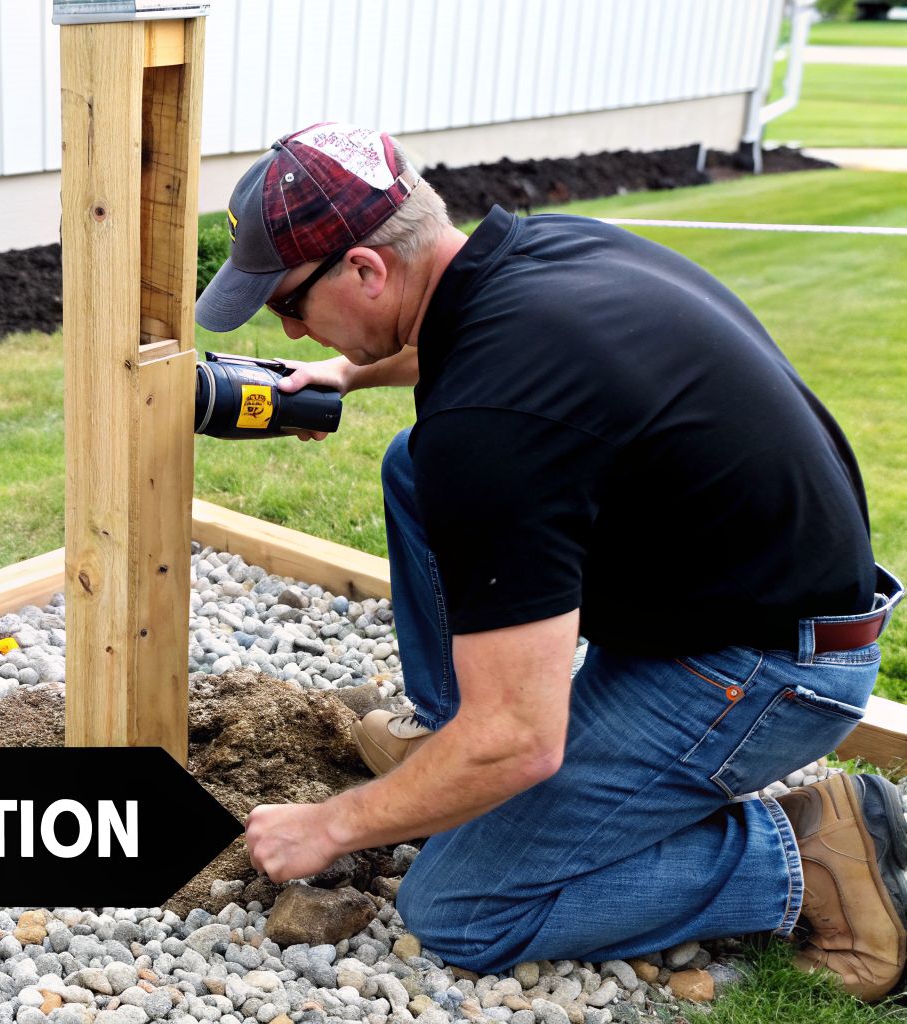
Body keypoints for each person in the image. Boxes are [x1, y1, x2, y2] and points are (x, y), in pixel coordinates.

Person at [210, 123, 905, 1000]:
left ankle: (805, 853)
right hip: (741, 592)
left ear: (365, 269)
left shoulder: (496, 432)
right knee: (415, 466)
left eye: (291, 306)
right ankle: (457, 751)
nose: (292, 331)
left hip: (762, 671)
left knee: (459, 907)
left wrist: (332, 826)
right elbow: (475, 359)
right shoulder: (539, 251)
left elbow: (522, 740)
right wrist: (352, 374)